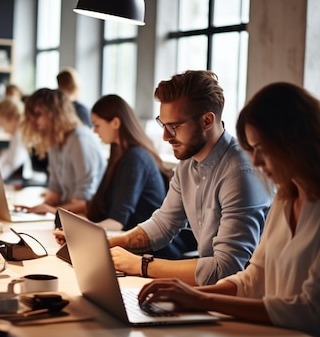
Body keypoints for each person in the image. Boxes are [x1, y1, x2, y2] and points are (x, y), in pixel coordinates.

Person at [138, 82, 320, 337]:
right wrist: (188, 295)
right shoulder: (286, 198)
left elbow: (312, 313)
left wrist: (201, 299)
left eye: (263, 148)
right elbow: (254, 279)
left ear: (298, 142)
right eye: (252, 148)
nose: (256, 160)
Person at [108, 70, 271, 286]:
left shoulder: (240, 174)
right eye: (162, 124)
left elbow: (226, 269)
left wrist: (141, 265)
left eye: (174, 126)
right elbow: (164, 224)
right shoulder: (187, 162)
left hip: (244, 300)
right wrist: (108, 243)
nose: (165, 136)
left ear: (206, 121)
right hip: (210, 293)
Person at [54, 95, 172, 241]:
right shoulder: (120, 156)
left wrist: (79, 233)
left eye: (97, 125)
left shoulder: (136, 158)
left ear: (115, 123)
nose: (95, 132)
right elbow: (105, 209)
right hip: (126, 238)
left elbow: (117, 222)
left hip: (148, 246)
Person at [18, 88, 105, 215]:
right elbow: (56, 192)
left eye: (38, 114)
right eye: (31, 116)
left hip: (87, 219)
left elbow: (84, 201)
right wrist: (37, 209)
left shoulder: (80, 140)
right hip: (68, 216)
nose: (33, 120)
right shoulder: (54, 141)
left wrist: (52, 210)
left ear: (55, 113)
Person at [0, 96, 33, 183]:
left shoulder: (21, 134)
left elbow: (14, 163)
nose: (1, 128)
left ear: (13, 118)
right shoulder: (16, 134)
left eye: (2, 123)